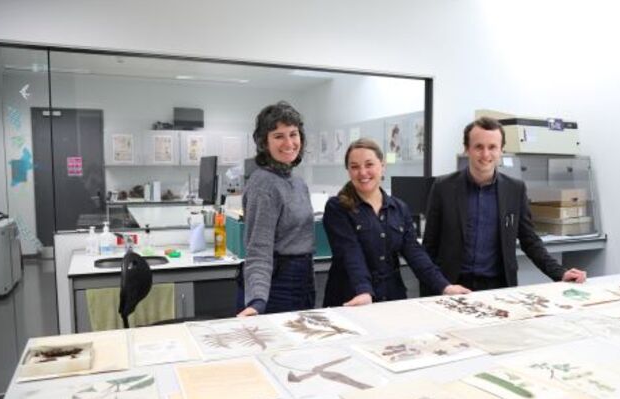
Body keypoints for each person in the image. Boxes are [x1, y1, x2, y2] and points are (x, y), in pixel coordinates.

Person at [422, 117, 587, 291]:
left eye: (492, 147)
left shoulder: (514, 189)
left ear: (501, 150)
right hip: (453, 287)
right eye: (479, 147)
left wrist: (561, 273)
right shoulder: (443, 187)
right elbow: (429, 247)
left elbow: (529, 240)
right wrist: (438, 288)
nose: (486, 154)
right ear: (466, 149)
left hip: (498, 287)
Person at [323, 138, 470, 307]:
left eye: (369, 164)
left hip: (391, 297)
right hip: (352, 298)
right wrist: (363, 291)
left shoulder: (399, 208)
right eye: (354, 167)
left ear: (382, 165)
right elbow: (350, 252)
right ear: (348, 171)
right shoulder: (338, 207)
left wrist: (444, 286)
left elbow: (415, 253)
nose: (362, 172)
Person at [238, 101, 315, 316]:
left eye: (293, 134)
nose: (289, 142)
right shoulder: (264, 184)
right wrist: (257, 301)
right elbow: (259, 248)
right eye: (278, 136)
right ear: (264, 142)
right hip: (276, 285)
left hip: (303, 279)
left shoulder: (298, 182)